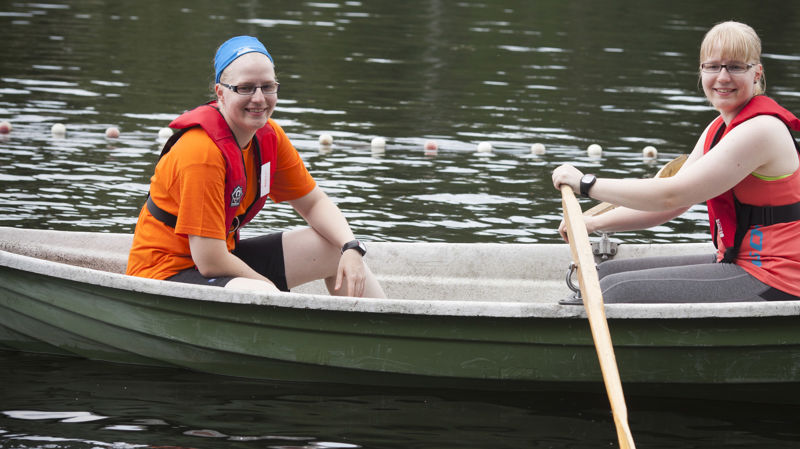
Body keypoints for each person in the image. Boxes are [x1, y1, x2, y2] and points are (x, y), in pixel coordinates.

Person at [551, 21, 800, 303]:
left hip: (776, 279)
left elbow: (671, 195)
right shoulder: (718, 129)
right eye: (713, 66)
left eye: (735, 67)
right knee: (604, 274)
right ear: (701, 71)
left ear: (757, 73)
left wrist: (586, 184)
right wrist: (591, 222)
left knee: (613, 289)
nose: (722, 77)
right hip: (740, 263)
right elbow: (672, 205)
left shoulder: (761, 130)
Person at [127, 35, 386, 299]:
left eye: (267, 87)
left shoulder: (268, 136)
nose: (259, 99)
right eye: (246, 88)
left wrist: (351, 247)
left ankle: (382, 333)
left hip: (217, 261)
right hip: (164, 275)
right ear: (220, 93)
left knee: (333, 249)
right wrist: (272, 289)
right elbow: (209, 260)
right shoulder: (201, 153)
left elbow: (313, 203)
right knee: (261, 292)